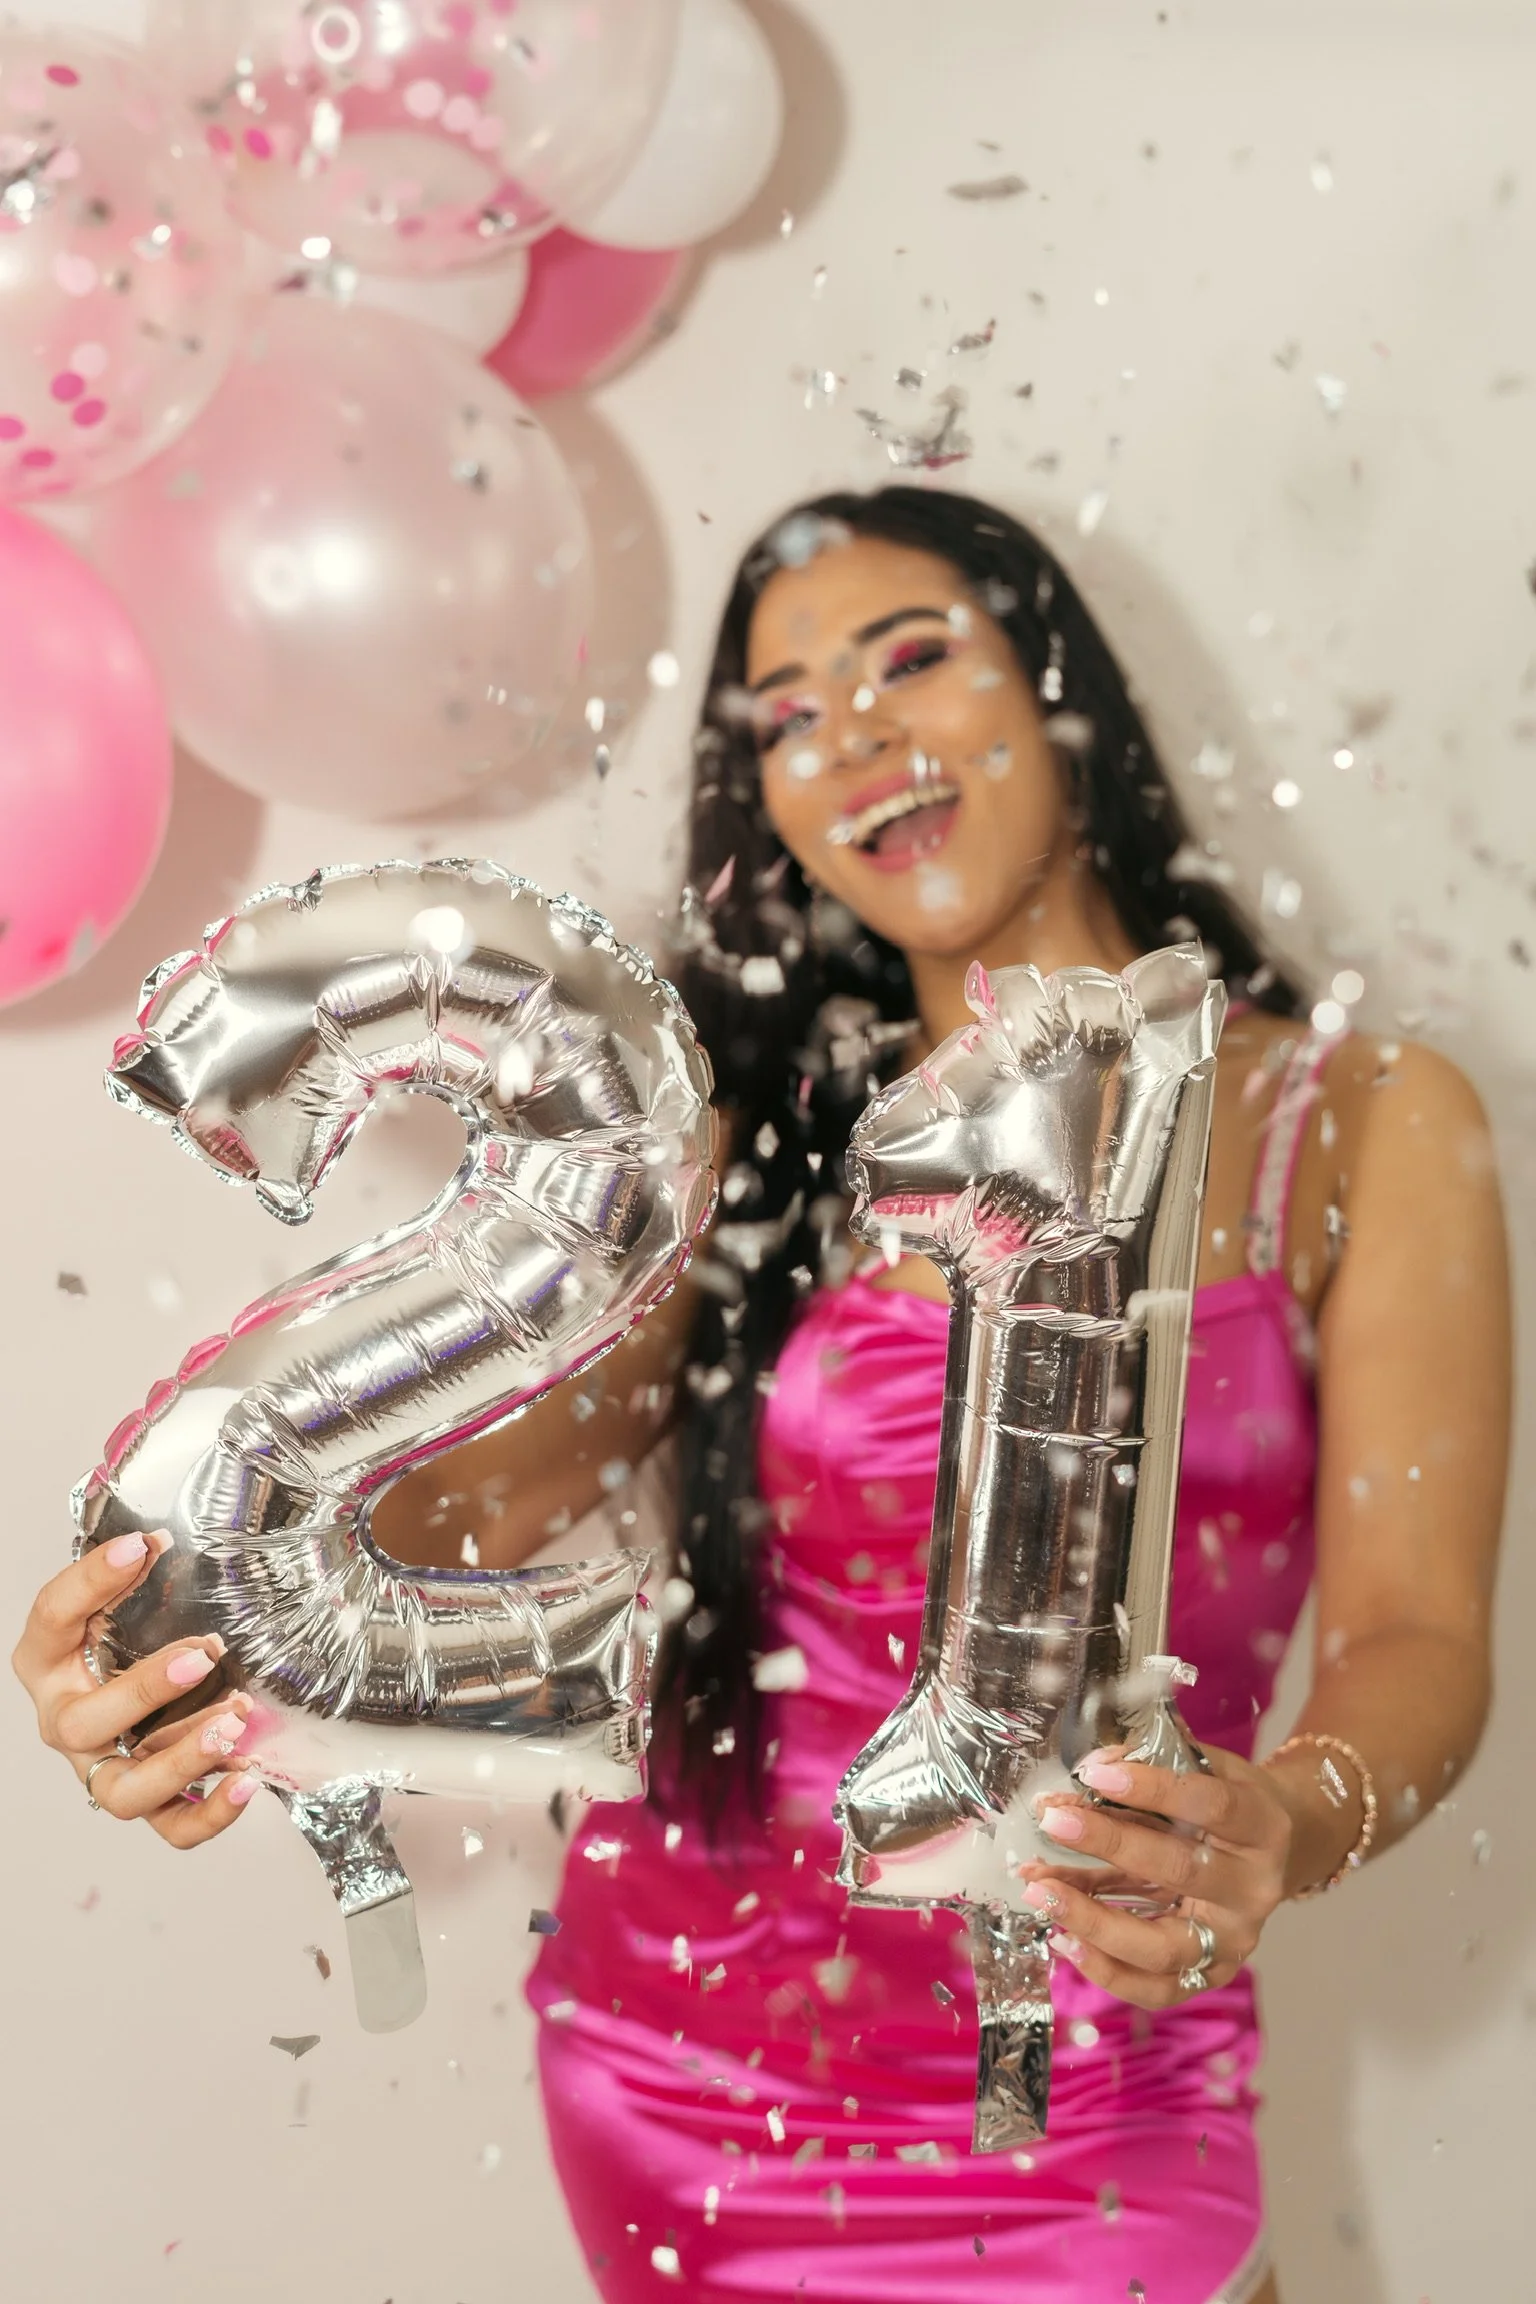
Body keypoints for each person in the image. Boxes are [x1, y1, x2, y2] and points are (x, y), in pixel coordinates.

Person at [15, 488, 1510, 2304]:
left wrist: (1295, 1813)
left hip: (1089, 2075)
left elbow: (1418, 1634)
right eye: (789, 717)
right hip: (691, 2073)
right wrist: (181, 1647)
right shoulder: (759, 1143)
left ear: (1064, 693)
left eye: (909, 660)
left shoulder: (1363, 1121)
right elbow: (481, 1504)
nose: (855, 738)